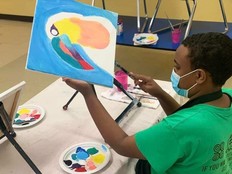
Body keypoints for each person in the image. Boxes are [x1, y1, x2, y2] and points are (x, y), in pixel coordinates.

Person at [62, 32, 232, 174]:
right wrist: (160, 93)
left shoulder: (180, 128)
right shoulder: (227, 96)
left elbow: (121, 144)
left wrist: (89, 94)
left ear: (199, 76)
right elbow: (188, 121)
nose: (174, 72)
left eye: (177, 67)